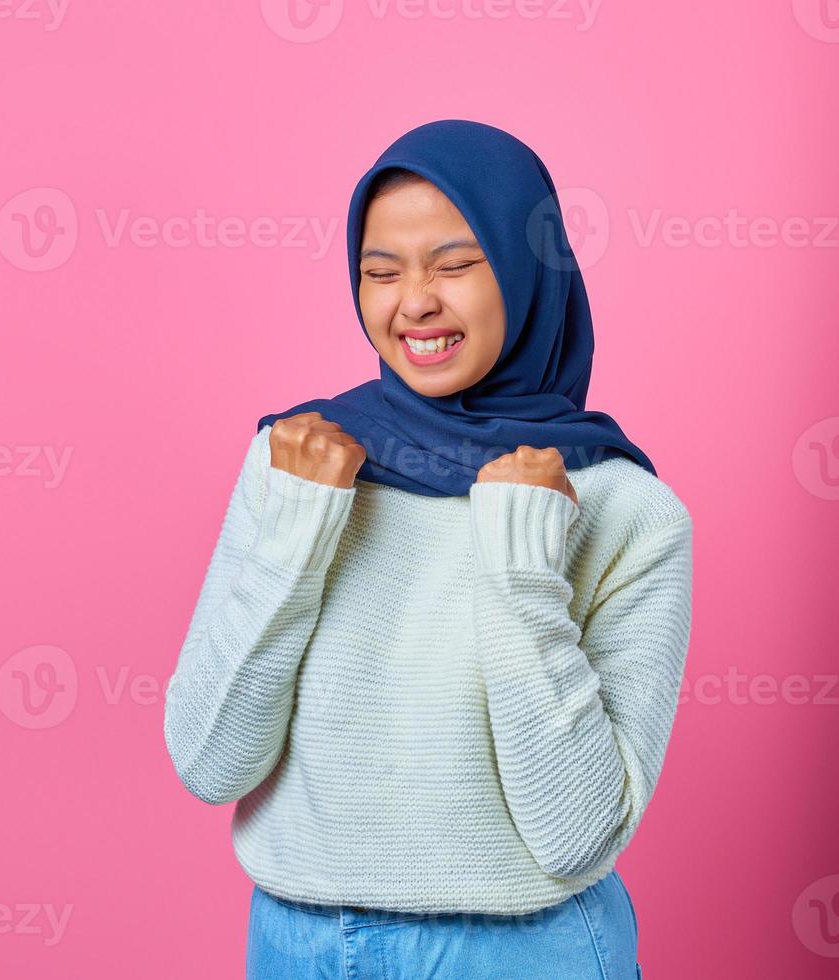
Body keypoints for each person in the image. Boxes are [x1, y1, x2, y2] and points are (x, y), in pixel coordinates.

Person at [162, 119, 692, 979]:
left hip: (525, 954)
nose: (414, 302)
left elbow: (576, 835)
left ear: (529, 273)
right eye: (381, 272)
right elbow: (209, 762)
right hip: (296, 945)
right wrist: (295, 529)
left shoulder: (627, 511)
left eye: (455, 265)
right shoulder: (300, 463)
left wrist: (522, 564)